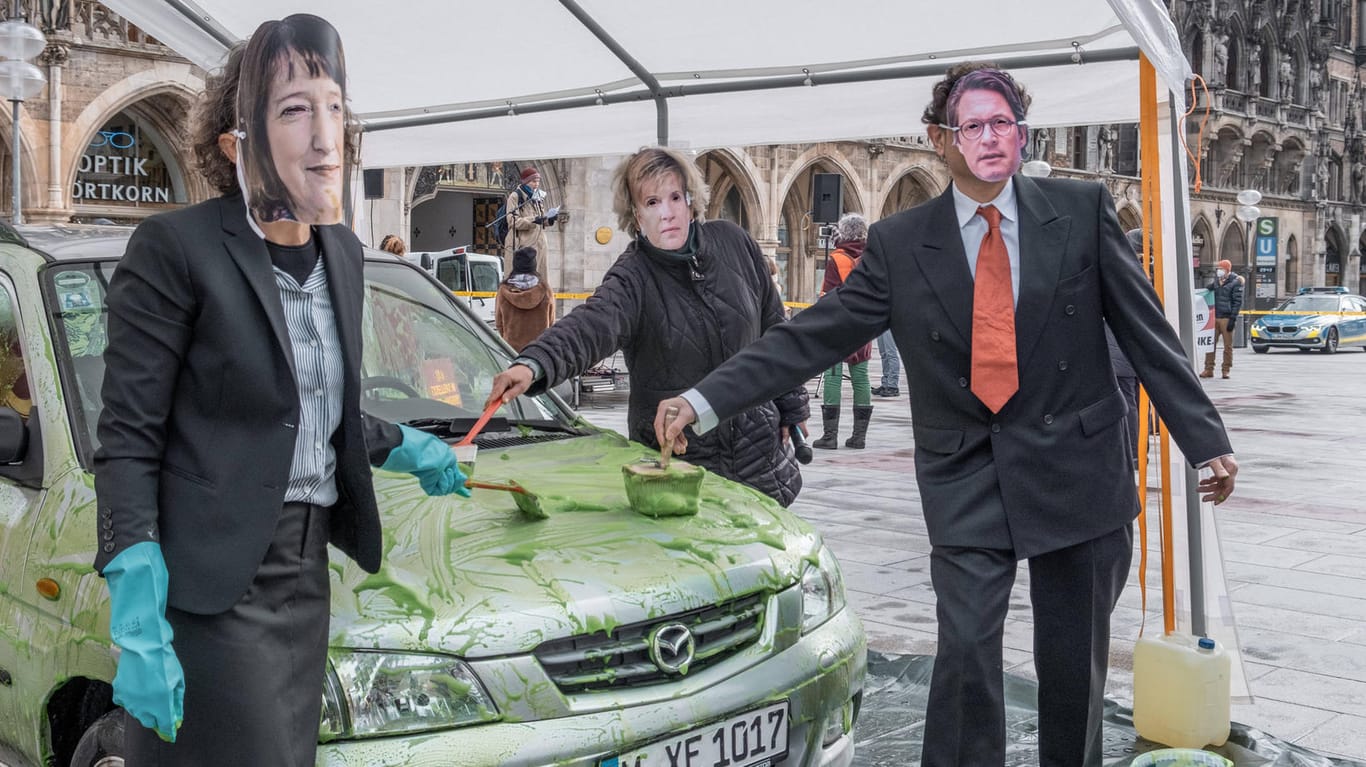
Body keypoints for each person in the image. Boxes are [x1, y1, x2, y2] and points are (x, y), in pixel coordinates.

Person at [653, 63, 1238, 767]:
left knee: (1072, 665)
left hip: (1077, 470)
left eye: (1004, 122)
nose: (991, 137)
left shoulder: (1080, 212)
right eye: (973, 125)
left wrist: (1204, 440)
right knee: (964, 652)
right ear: (941, 139)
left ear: (1022, 132)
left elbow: (1147, 333)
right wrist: (703, 398)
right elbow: (810, 336)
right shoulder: (901, 243)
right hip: (967, 473)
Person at [93, 15, 469, 766]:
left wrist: (409, 446)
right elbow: (128, 440)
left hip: (305, 579)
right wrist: (136, 610)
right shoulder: (176, 249)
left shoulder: (346, 252)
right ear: (238, 143)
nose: (324, 136)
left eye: (334, 107)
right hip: (214, 588)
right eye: (295, 110)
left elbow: (302, 410)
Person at [485, 146, 808, 506]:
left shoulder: (734, 243)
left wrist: (792, 405)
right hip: (680, 468)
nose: (666, 213)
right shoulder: (633, 276)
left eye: (674, 197)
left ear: (690, 201)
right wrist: (534, 363)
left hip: (758, 458)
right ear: (636, 215)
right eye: (652, 202)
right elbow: (591, 325)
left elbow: (775, 329)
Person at [812, 213, 874, 450]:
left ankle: (830, 436)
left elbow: (827, 296)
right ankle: (859, 437)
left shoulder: (836, 259)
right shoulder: (871, 257)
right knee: (861, 378)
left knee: (833, 376)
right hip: (865, 324)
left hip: (839, 325)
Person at [495, 246, 555, 352]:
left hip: (511, 351)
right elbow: (551, 321)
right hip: (539, 350)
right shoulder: (545, 289)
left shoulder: (503, 291)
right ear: (534, 265)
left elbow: (499, 324)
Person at [503, 166, 558, 281]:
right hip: (525, 245)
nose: (536, 184)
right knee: (526, 280)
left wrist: (550, 219)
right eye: (533, 181)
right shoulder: (515, 196)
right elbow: (513, 221)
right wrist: (533, 220)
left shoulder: (537, 197)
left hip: (540, 244)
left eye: (538, 181)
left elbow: (541, 219)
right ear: (526, 182)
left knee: (540, 278)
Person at [1202, 258, 1244, 379]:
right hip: (1215, 317)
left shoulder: (1235, 282)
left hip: (1226, 318)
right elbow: (1209, 290)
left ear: (1226, 270)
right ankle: (1208, 369)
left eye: (1220, 269)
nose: (1218, 271)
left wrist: (1233, 319)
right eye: (1218, 269)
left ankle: (1226, 369)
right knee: (1210, 345)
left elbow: (1237, 302)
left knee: (1227, 346)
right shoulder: (1217, 281)